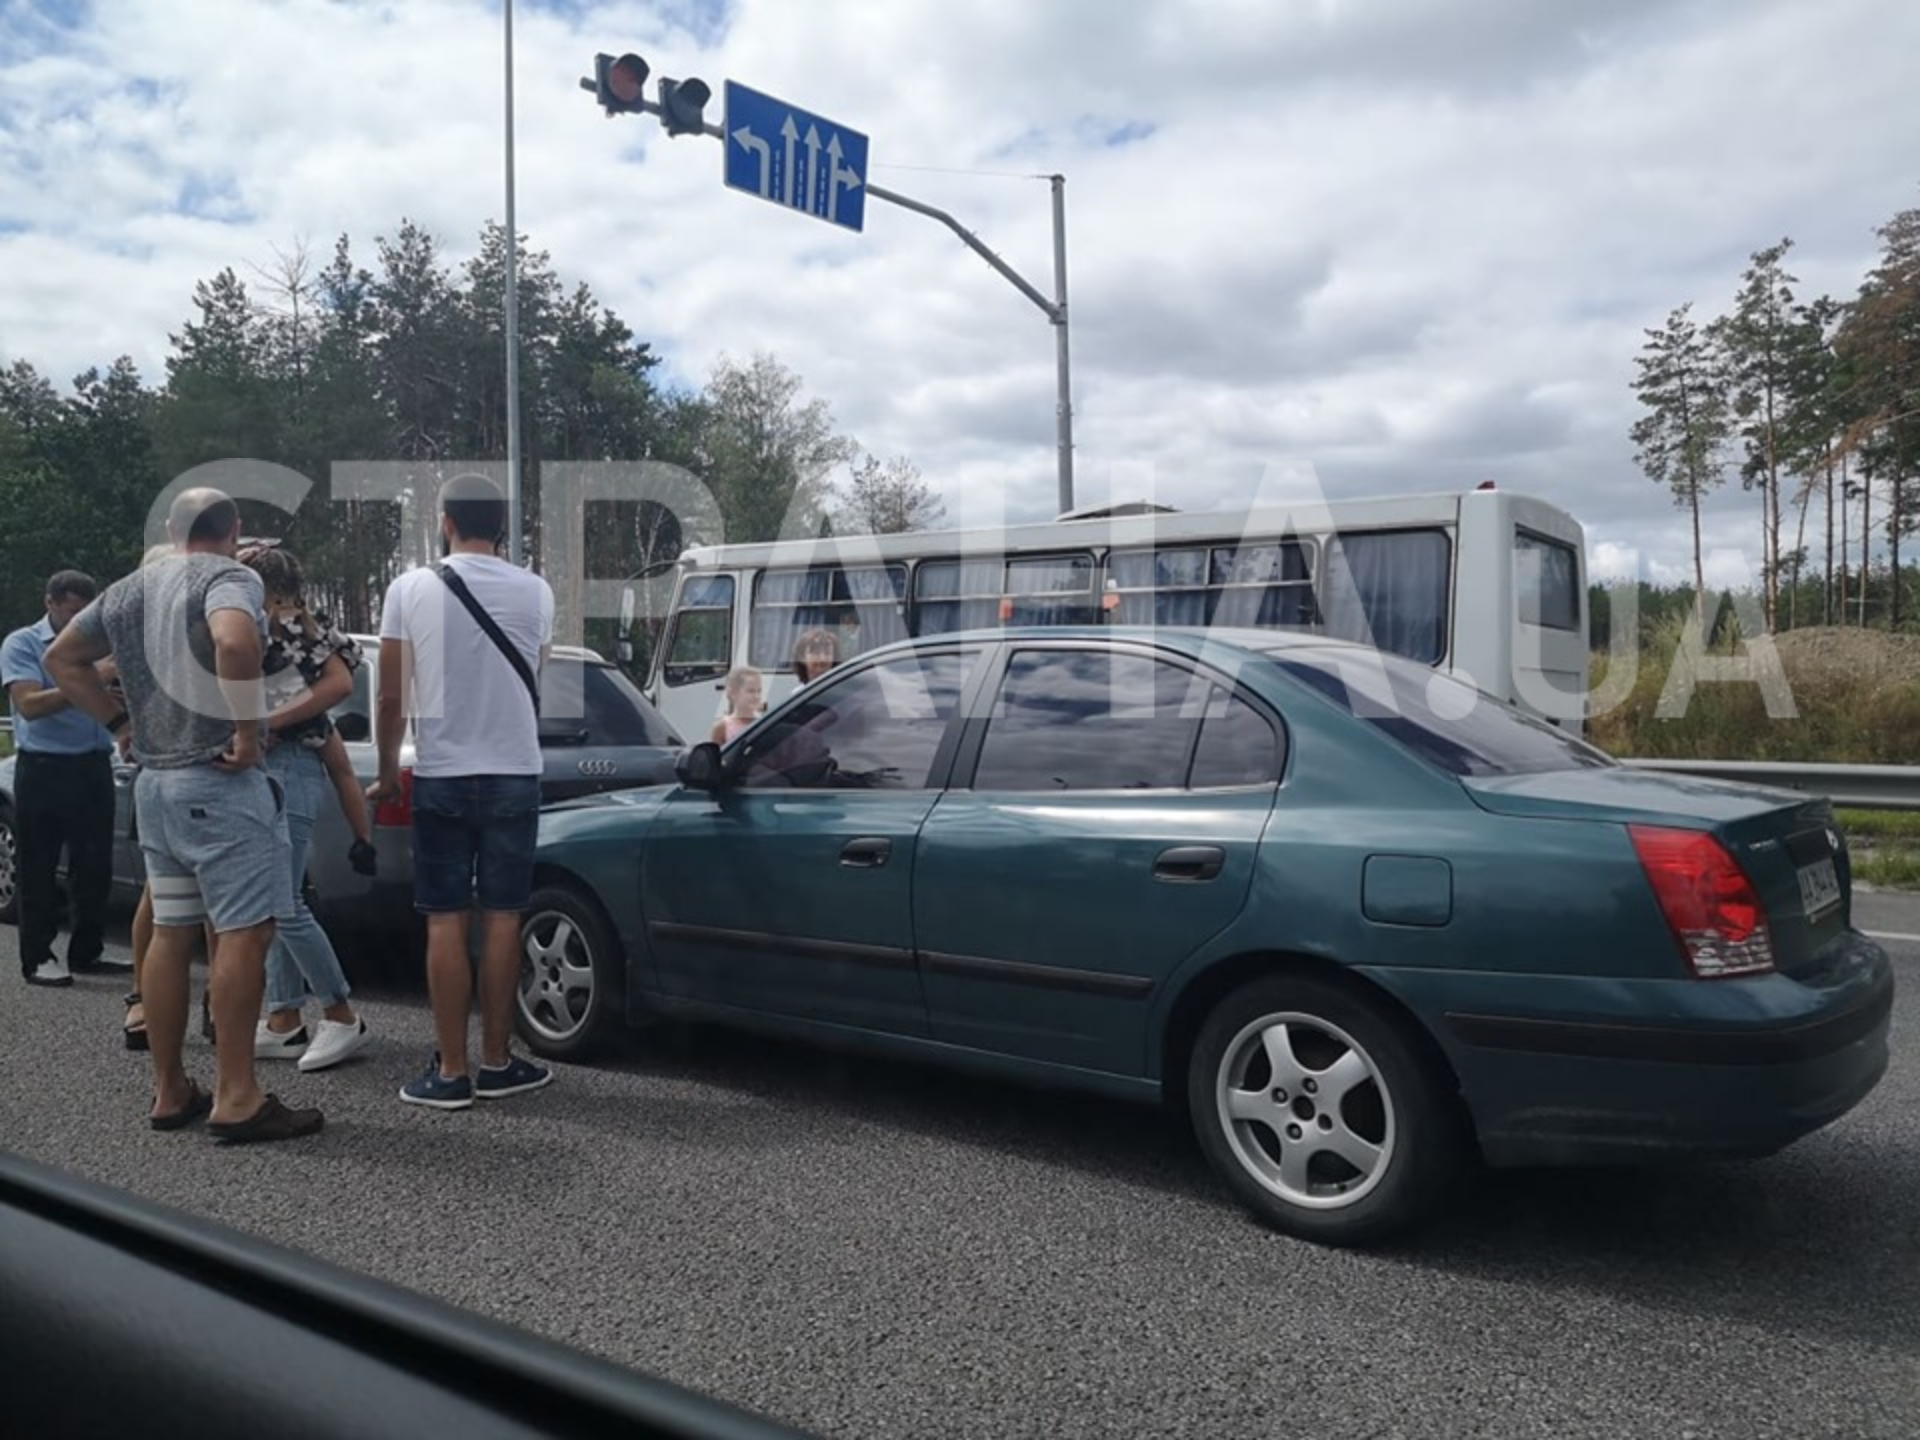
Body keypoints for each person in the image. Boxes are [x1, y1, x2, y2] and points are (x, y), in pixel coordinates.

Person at [45, 488, 324, 1143]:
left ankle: (171, 1089)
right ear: (233, 530)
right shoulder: (231, 577)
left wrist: (118, 722)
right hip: (219, 788)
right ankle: (237, 1095)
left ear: (172, 531)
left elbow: (61, 659)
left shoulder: (128, 589)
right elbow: (233, 643)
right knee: (242, 935)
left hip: (156, 787)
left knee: (171, 933)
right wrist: (249, 734)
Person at [370, 473, 555, 1110]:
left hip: (444, 772)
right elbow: (537, 673)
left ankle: (450, 1071)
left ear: (445, 522)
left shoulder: (410, 588)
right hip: (514, 770)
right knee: (504, 917)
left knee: (445, 920)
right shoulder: (537, 590)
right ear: (501, 526)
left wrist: (390, 768)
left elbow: (393, 692)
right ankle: (500, 1062)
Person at [239, 544, 374, 1072]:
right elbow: (339, 762)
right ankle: (283, 1017)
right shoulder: (298, 631)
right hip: (285, 768)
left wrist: (268, 723)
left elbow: (339, 684)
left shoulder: (288, 626)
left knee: (282, 902)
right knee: (275, 900)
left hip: (288, 769)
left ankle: (341, 1015)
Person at [3, 571, 116, 988]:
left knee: (95, 867)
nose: (77, 622)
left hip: (94, 762)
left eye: (84, 613)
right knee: (39, 865)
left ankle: (88, 952)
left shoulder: (99, 643)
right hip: (45, 766)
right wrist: (86, 680)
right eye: (70, 612)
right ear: (50, 603)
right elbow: (29, 704)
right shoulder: (23, 644)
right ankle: (38, 957)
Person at [709, 665, 764, 745]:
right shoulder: (721, 727)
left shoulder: (763, 723)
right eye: (751, 691)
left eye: (759, 691)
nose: (757, 696)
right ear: (734, 693)